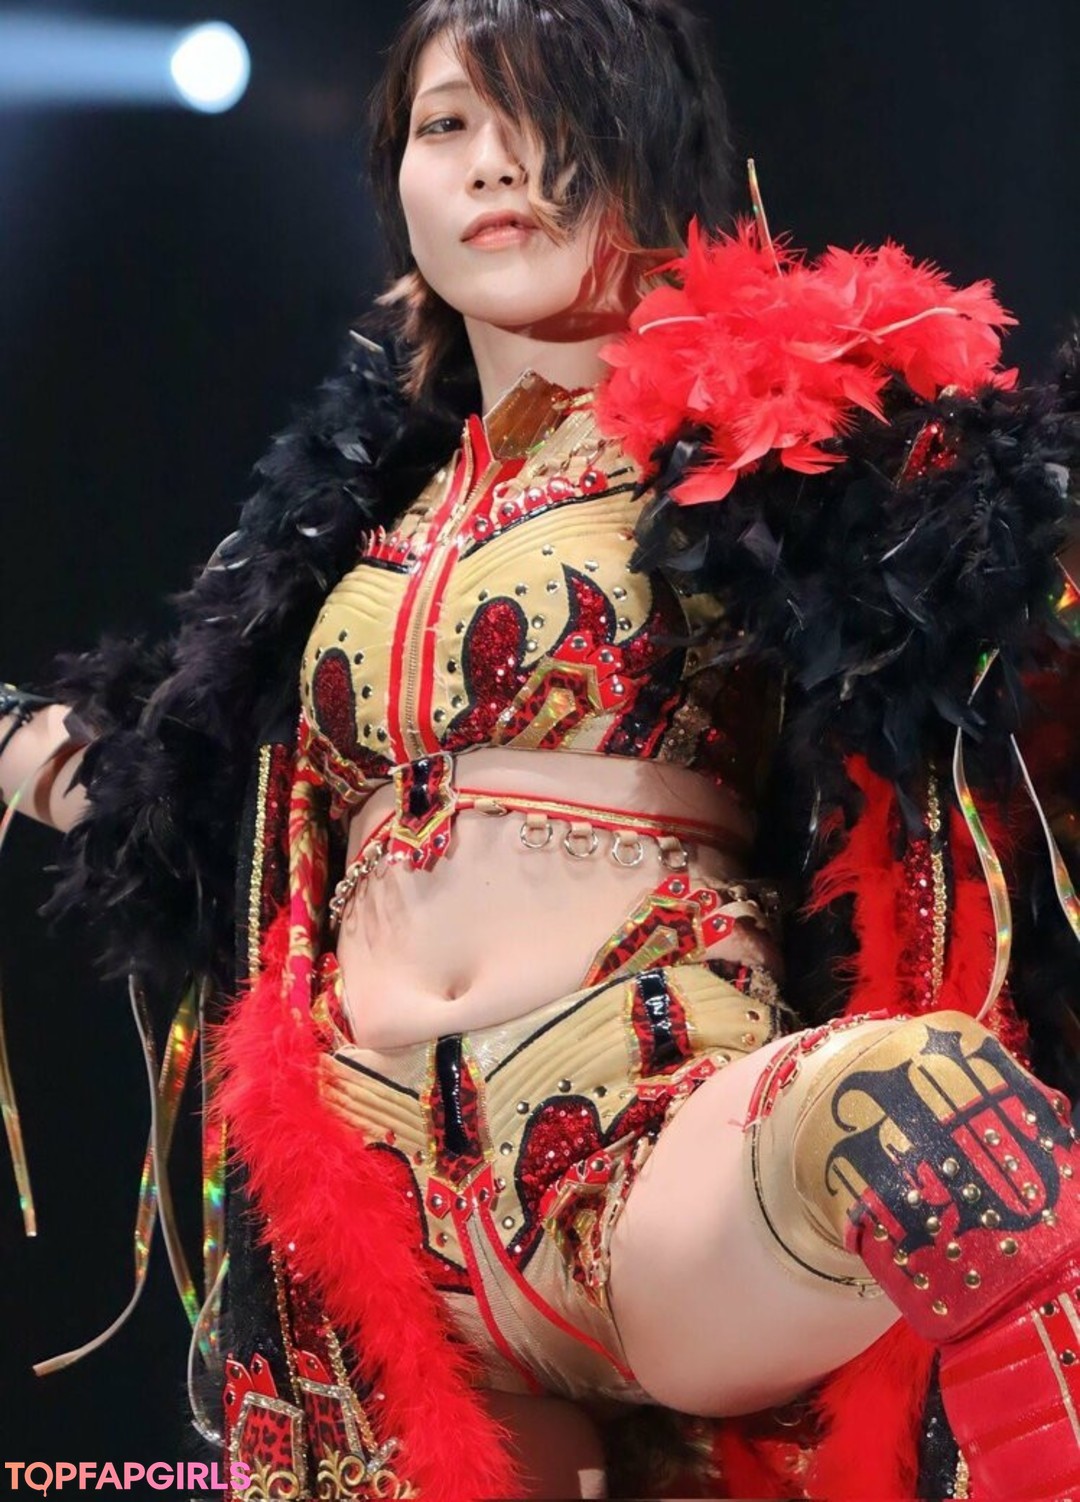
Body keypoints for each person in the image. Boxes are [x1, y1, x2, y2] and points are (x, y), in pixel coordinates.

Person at [3, 0, 1080, 1497]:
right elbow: (168, 786)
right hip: (365, 1243)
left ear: (654, 145)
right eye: (446, 125)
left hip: (649, 1150)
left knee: (925, 1118)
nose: (494, 162)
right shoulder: (349, 523)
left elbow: (1000, 589)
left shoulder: (780, 432)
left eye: (547, 113)